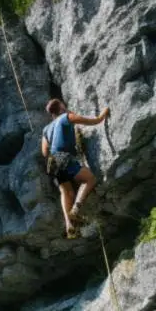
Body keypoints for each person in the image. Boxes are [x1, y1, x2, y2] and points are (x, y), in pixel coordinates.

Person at [41, 99, 110, 239]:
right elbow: (91, 121)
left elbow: (44, 152)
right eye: (63, 106)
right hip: (64, 156)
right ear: (61, 108)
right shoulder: (67, 116)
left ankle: (69, 226)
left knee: (66, 192)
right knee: (89, 179)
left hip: (53, 163)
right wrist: (102, 115)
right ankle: (75, 210)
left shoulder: (46, 129)